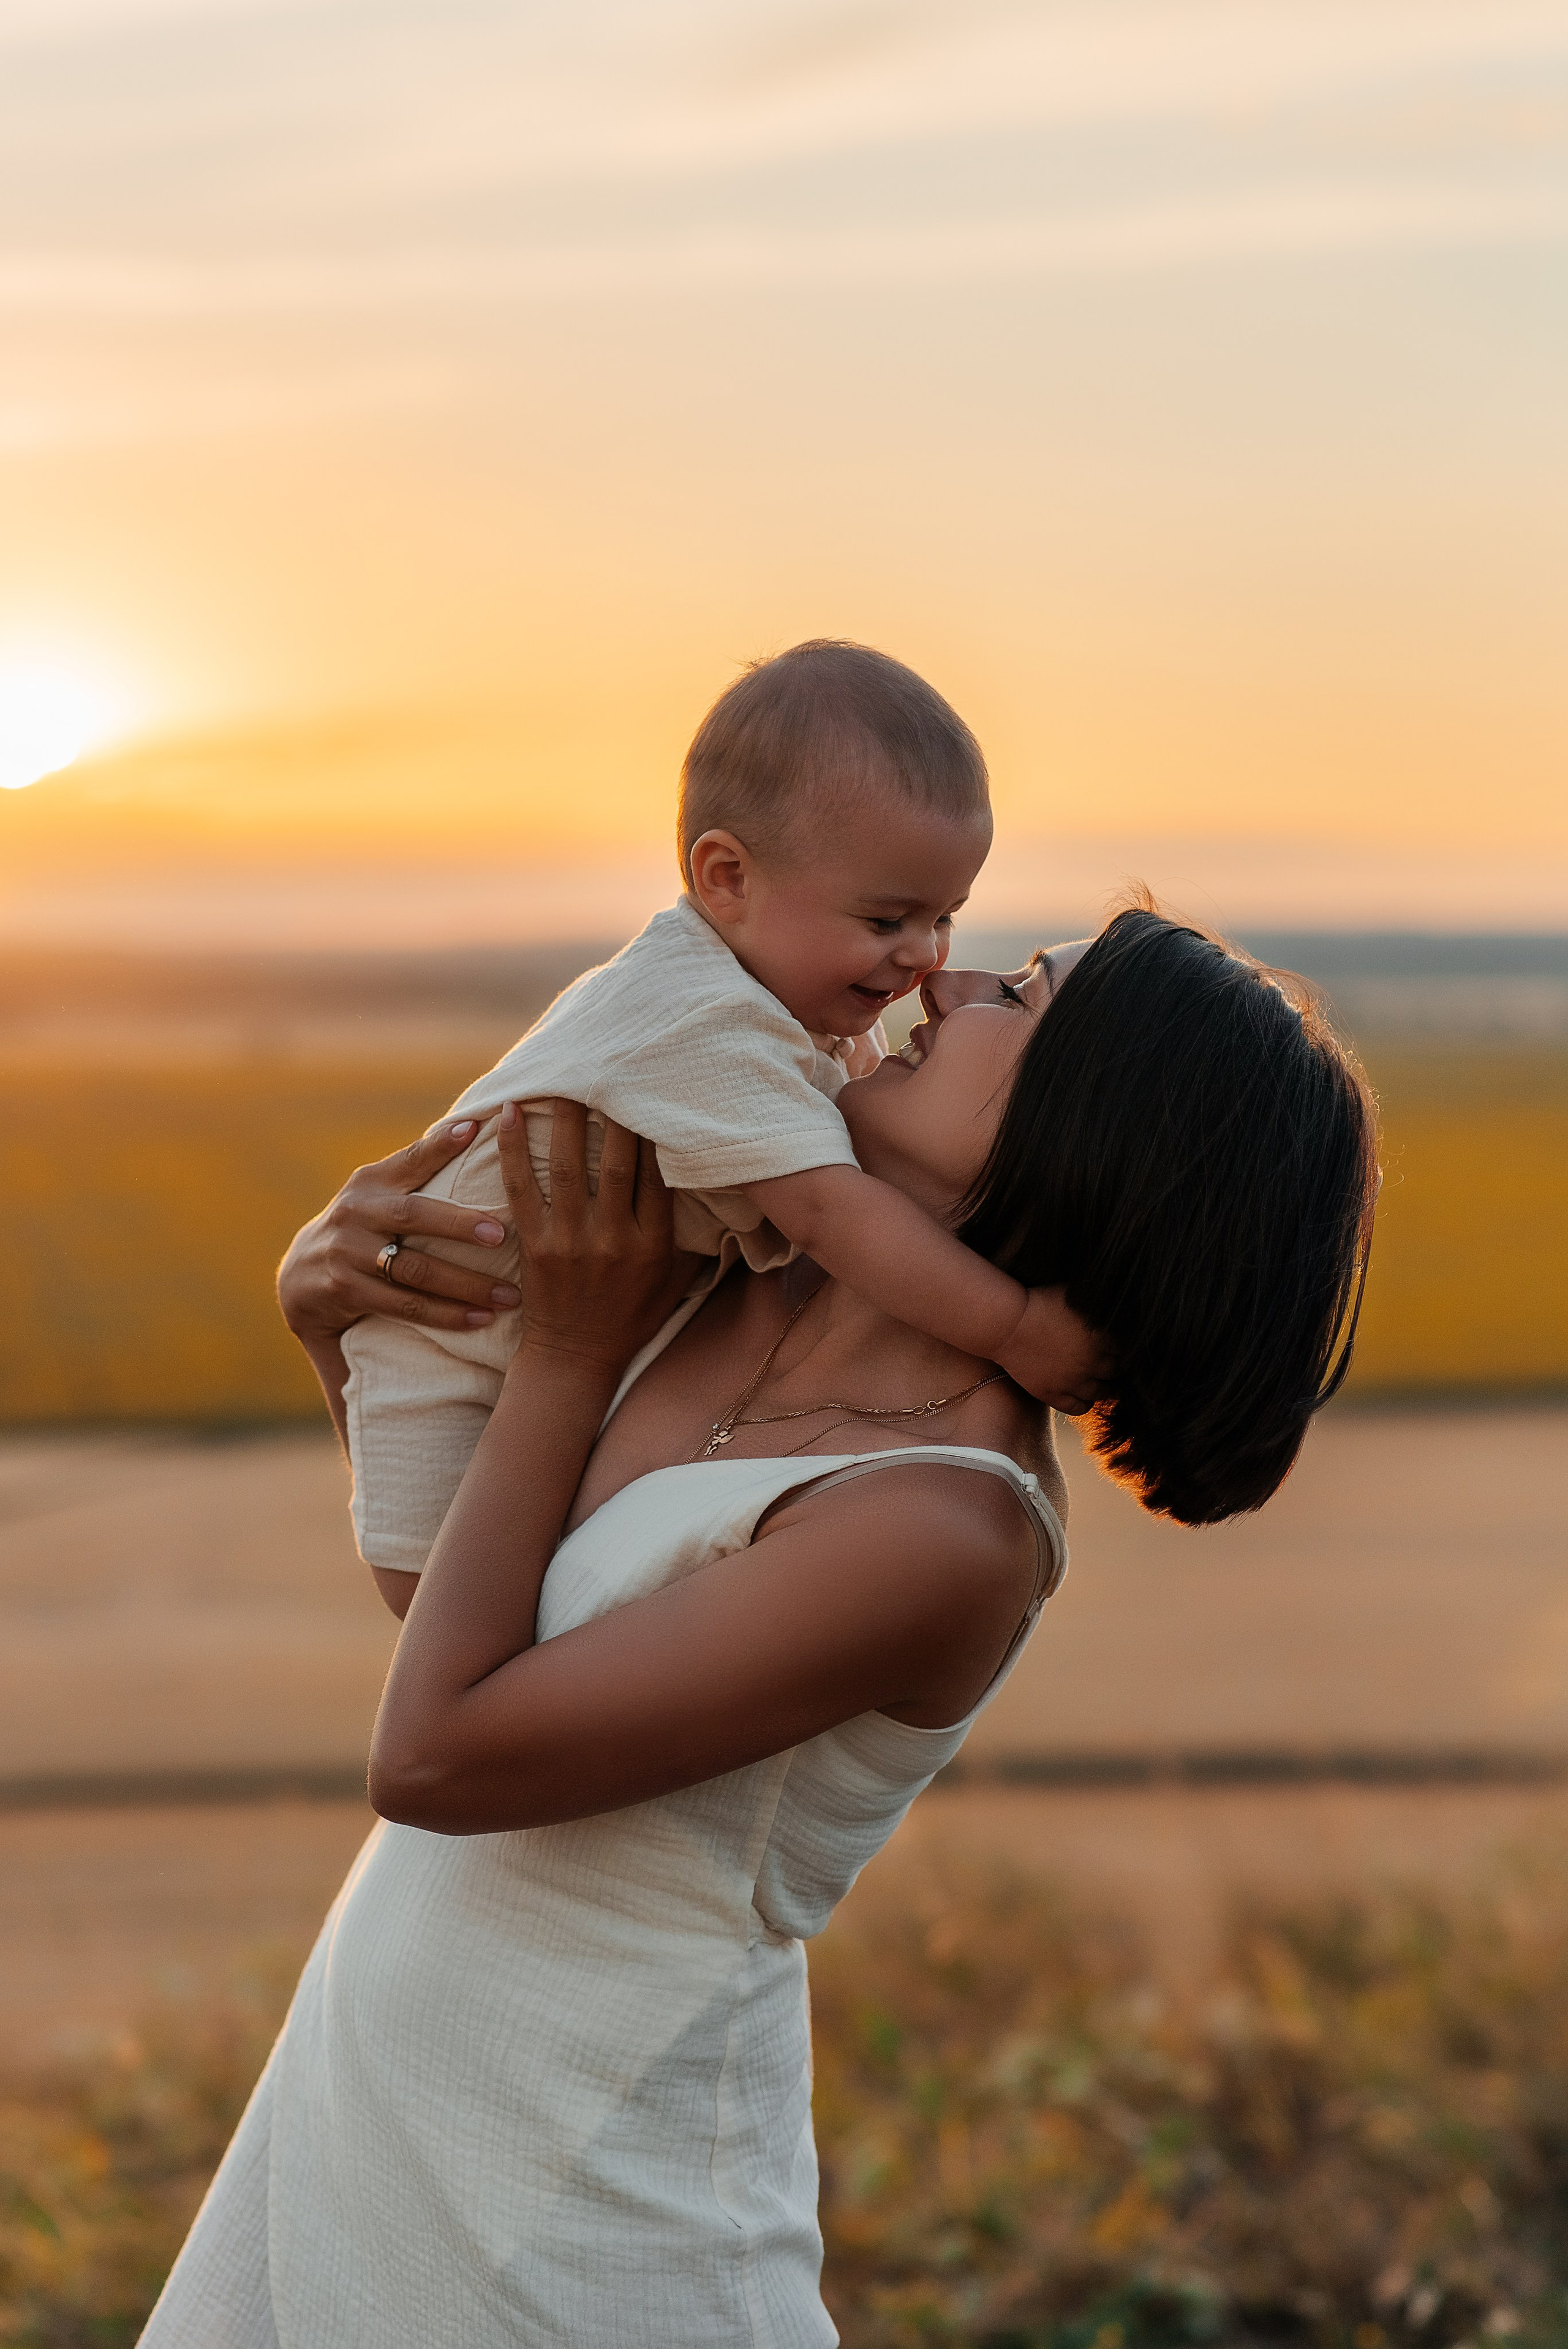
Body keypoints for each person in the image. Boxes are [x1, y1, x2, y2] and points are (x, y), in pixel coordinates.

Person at [141, 908, 1378, 2346]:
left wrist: (568, 1348)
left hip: (589, 2201)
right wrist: (339, 1337)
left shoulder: (943, 1526)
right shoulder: (730, 1271)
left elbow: (436, 1754)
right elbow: (455, 1617)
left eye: (1019, 996)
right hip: (379, 2104)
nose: (945, 975)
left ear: (1110, 1127)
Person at [328, 638, 1106, 1582]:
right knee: (438, 1593)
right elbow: (829, 1211)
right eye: (885, 921)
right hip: (441, 1327)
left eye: (943, 917)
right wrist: (1015, 1327)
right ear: (728, 878)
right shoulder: (700, 1017)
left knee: (565, 1573)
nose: (927, 959)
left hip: (566, 1312)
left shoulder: (782, 1006)